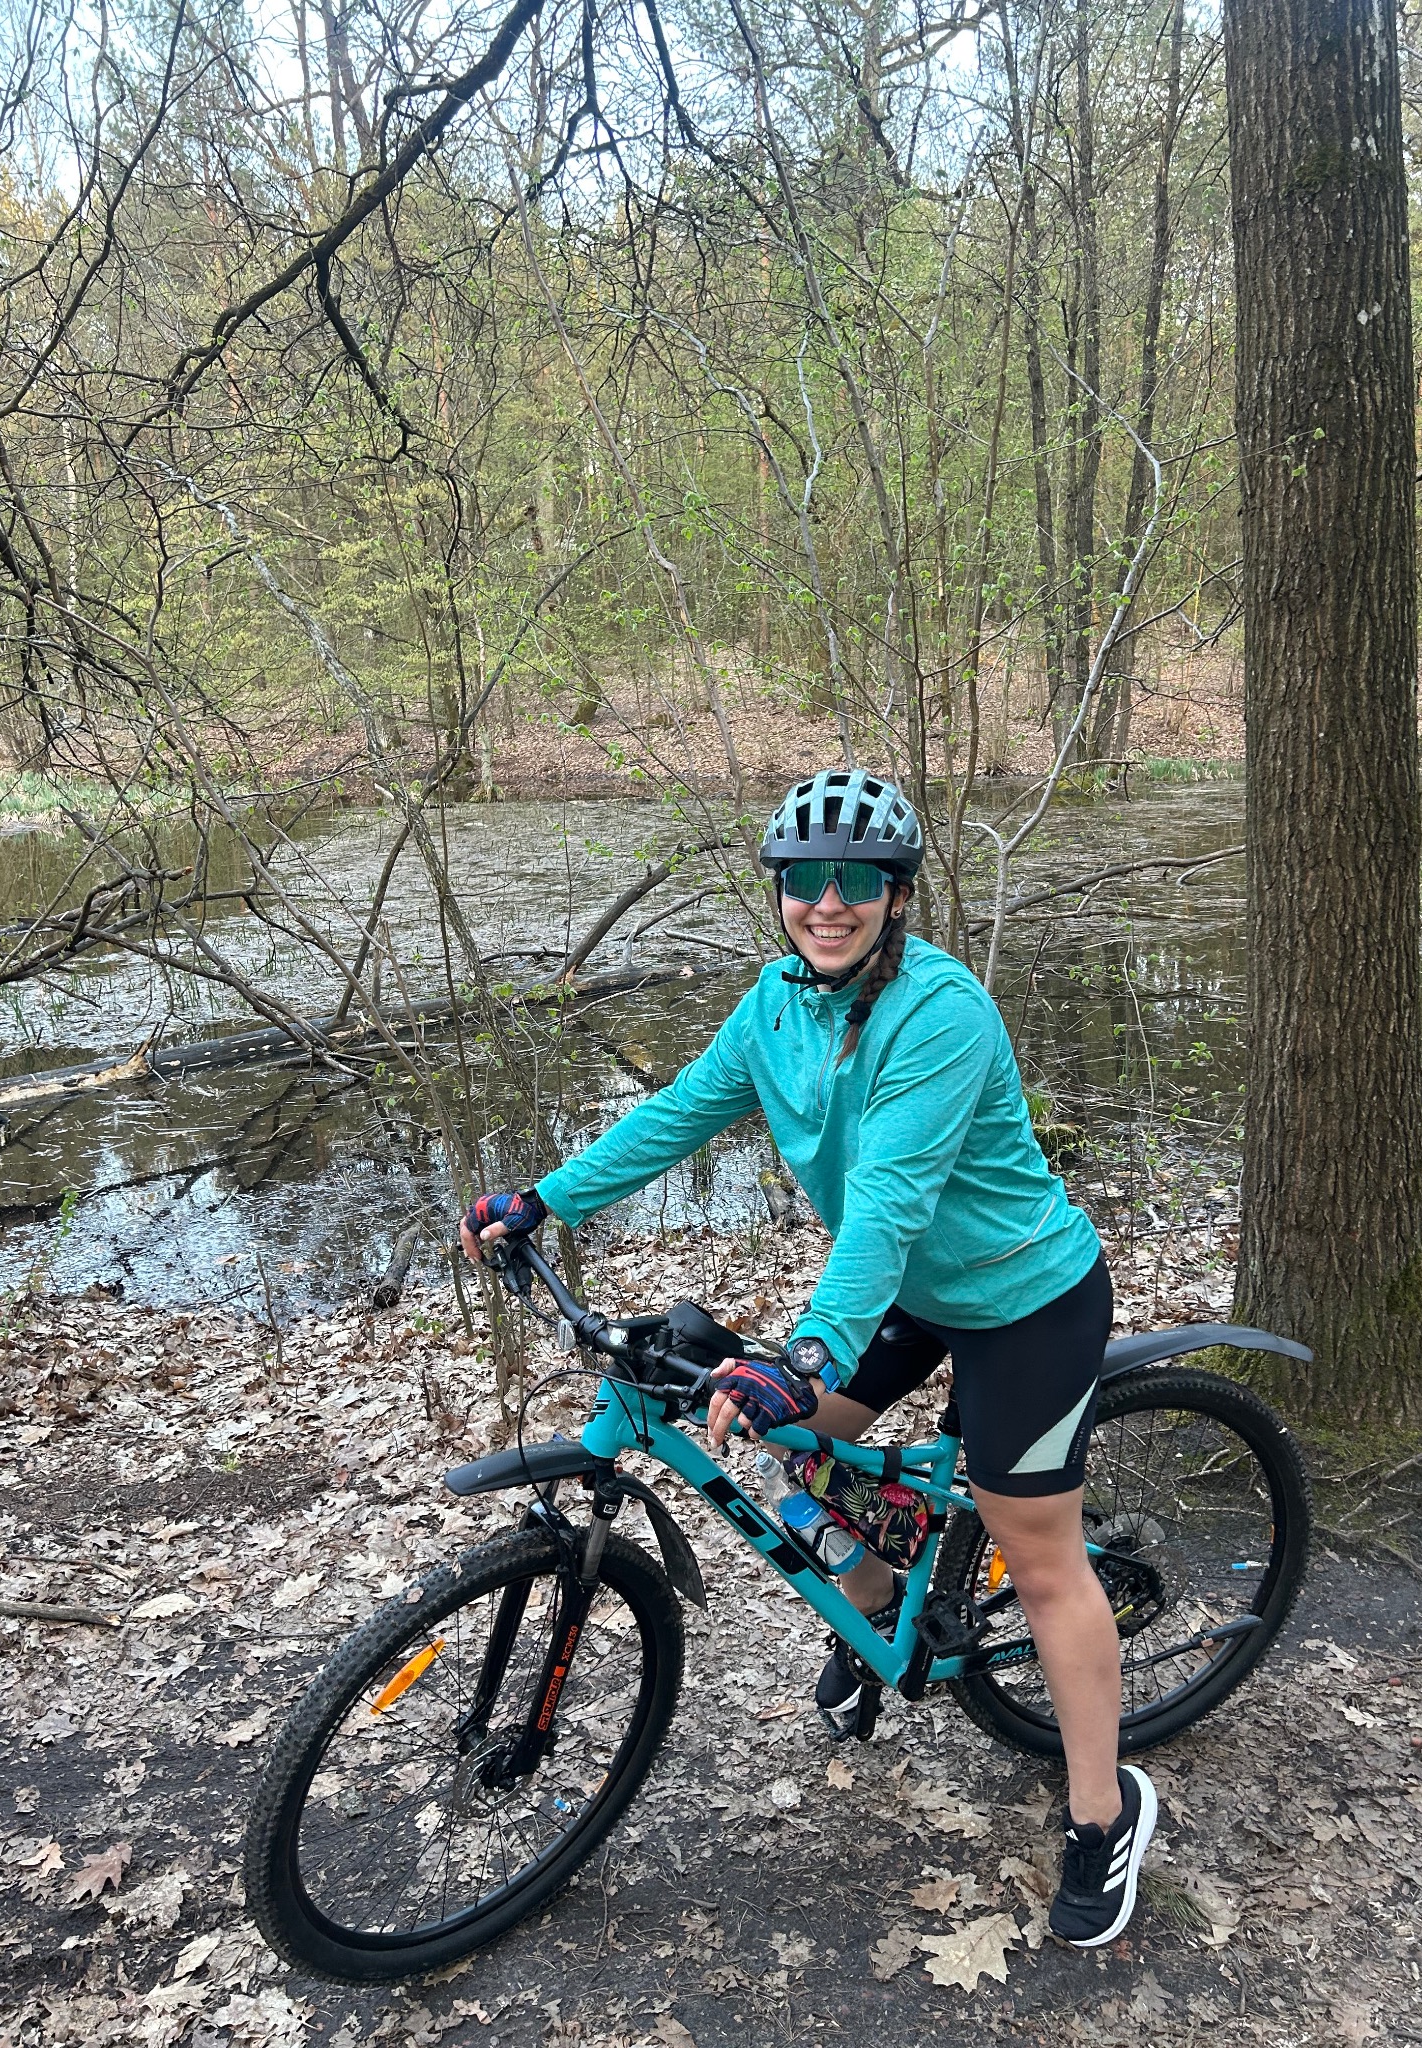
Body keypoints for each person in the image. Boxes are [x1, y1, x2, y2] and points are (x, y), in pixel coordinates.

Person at [460, 767, 1157, 1949]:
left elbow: (885, 1202)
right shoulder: (779, 1002)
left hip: (1024, 1297)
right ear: (779, 888)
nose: (826, 903)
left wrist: (809, 1344)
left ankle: (1103, 1812)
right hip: (911, 1290)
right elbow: (680, 1111)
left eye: (856, 881)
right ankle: (878, 1604)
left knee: (1037, 1556)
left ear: (895, 893)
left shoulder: (939, 1012)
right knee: (782, 1439)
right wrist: (545, 1196)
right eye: (804, 880)